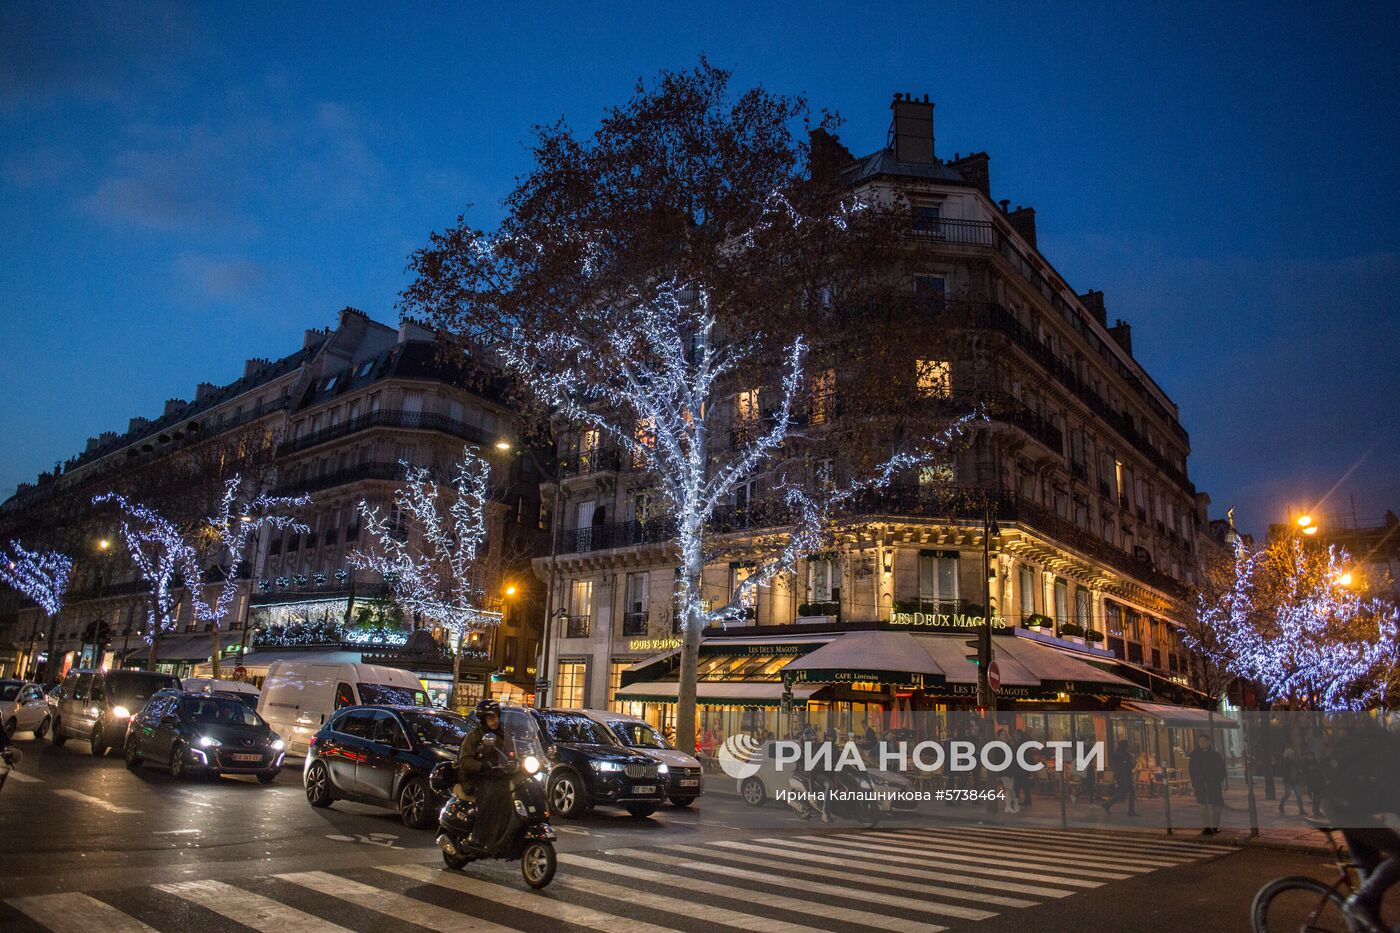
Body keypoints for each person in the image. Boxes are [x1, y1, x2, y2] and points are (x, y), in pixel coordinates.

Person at [1320, 722, 1400, 930]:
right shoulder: (1391, 755)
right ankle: (1360, 902)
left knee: (1371, 870)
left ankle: (1363, 918)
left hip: (1345, 805)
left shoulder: (1387, 746)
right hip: (1347, 810)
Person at [455, 699, 517, 853]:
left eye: (496, 716)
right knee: (489, 795)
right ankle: (479, 836)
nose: (494, 720)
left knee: (521, 790)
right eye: (490, 717)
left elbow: (513, 753)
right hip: (477, 777)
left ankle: (510, 834)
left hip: (498, 775)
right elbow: (464, 761)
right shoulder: (474, 737)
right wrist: (480, 765)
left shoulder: (504, 735)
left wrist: (519, 762)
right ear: (483, 719)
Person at [1188, 733, 1226, 835]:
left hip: (1213, 784)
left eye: (1204, 741)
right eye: (1200, 741)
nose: (1202, 743)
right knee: (1203, 807)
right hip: (1201, 784)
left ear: (1208, 742)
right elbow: (1192, 770)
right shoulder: (1195, 755)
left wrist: (1217, 780)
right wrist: (1195, 782)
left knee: (1216, 807)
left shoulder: (1215, 755)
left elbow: (1222, 770)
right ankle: (1207, 828)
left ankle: (1215, 827)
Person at [1103, 740, 1138, 816]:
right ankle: (1130, 811)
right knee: (1129, 791)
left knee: (1122, 793)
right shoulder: (1125, 755)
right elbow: (1130, 765)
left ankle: (1107, 804)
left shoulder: (1117, 754)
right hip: (1125, 777)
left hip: (1121, 776)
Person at [1278, 746, 1305, 816]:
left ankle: (1301, 810)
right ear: (1288, 754)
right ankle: (1281, 805)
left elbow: (1300, 766)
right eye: (1291, 754)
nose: (1292, 755)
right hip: (1288, 781)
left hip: (1295, 780)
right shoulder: (1285, 762)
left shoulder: (1295, 760)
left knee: (1298, 795)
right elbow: (1285, 772)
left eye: (1293, 754)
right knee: (1287, 794)